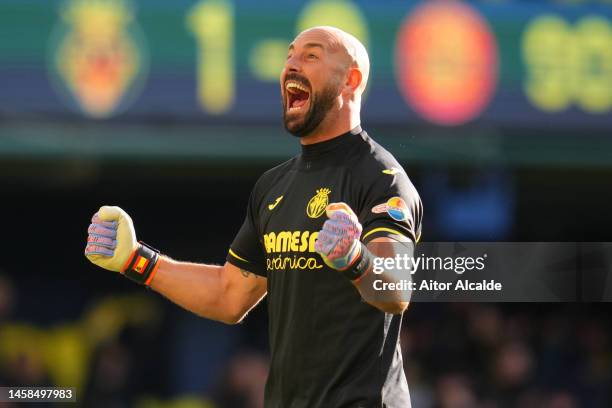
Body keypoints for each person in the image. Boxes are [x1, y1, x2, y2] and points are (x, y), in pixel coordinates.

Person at [85, 26, 422, 408]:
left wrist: (354, 258)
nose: (291, 65)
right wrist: (137, 260)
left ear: (351, 80)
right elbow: (230, 296)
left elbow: (397, 291)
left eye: (311, 56)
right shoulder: (273, 186)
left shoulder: (381, 178)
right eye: (289, 56)